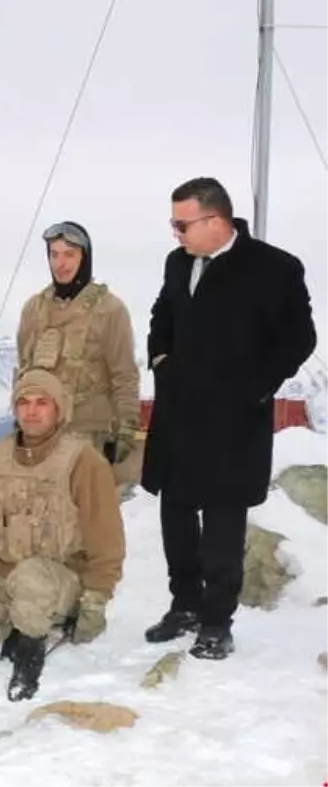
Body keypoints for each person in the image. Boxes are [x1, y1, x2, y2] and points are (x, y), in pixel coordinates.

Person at [141, 177, 317, 660]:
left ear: (215, 220)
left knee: (222, 520)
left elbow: (298, 338)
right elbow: (163, 314)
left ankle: (217, 621)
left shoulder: (274, 267)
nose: (175, 233)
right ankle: (185, 605)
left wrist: (254, 389)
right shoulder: (178, 263)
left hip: (234, 418)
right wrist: (160, 359)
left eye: (182, 224)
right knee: (175, 511)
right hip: (178, 412)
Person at [0, 369, 125, 701]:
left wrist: (95, 601)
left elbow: (106, 539)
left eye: (42, 402)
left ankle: (30, 650)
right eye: (23, 402)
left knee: (31, 578)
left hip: (60, 576)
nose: (32, 410)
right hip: (1, 576)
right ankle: (21, 618)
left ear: (59, 409)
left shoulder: (84, 462)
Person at [16, 221, 141, 494]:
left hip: (89, 440)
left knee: (84, 526)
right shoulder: (34, 310)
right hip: (41, 439)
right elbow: (23, 372)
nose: (60, 263)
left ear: (84, 257)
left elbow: (124, 375)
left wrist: (126, 431)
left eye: (69, 254)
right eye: (54, 254)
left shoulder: (109, 310)